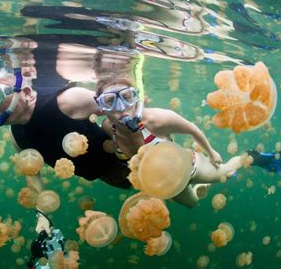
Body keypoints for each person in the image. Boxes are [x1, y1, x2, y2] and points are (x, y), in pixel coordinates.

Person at [95, 75, 244, 207]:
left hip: (189, 167)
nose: (121, 107)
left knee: (227, 172)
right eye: (109, 101)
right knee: (192, 203)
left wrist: (211, 153)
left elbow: (191, 128)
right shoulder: (108, 128)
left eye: (127, 97)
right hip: (166, 182)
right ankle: (200, 187)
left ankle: (250, 157)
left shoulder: (158, 119)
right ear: (100, 106)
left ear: (136, 98)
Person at [0, 66, 132, 190]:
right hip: (108, 177)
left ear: (26, 93)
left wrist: (121, 138)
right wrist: (41, 213)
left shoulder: (68, 100)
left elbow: (124, 104)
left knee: (109, 123)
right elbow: (32, 172)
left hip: (129, 155)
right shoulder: (16, 136)